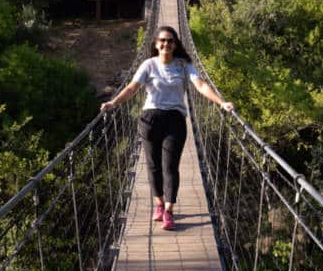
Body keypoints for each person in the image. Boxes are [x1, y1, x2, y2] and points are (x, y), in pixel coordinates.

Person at [100, 26, 234, 230]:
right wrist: (114, 102)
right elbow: (132, 88)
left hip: (175, 119)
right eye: (162, 40)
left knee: (170, 166)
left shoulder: (184, 64)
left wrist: (221, 102)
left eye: (170, 41)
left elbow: (200, 85)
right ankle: (159, 204)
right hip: (150, 119)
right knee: (153, 165)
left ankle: (169, 211)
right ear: (156, 44)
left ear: (175, 44)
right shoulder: (148, 65)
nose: (166, 44)